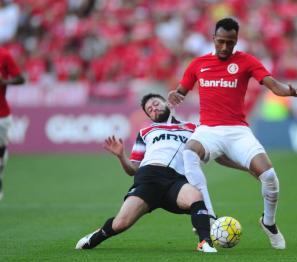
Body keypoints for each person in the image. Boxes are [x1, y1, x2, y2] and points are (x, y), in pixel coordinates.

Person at [168, 17, 297, 250]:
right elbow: (181, 90)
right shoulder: (198, 64)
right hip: (208, 130)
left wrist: (289, 91)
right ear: (213, 39)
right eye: (221, 41)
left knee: (270, 178)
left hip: (237, 131)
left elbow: (273, 85)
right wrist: (176, 95)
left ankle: (269, 223)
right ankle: (208, 216)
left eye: (230, 43)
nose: (225, 47)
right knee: (189, 153)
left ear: (236, 41)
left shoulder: (246, 61)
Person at [75, 94, 218, 253]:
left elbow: (208, 148)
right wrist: (121, 155)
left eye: (156, 104)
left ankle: (205, 242)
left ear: (167, 104)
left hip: (176, 180)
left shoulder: (193, 128)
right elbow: (133, 169)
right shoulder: (146, 132)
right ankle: (96, 236)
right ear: (149, 116)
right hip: (149, 178)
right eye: (150, 109)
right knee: (121, 223)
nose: (154, 109)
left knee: (195, 196)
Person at [0, 47, 25, 200]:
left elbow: (20, 78)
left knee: (1, 151)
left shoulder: (4, 55)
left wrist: (4, 81)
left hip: (1, 115)